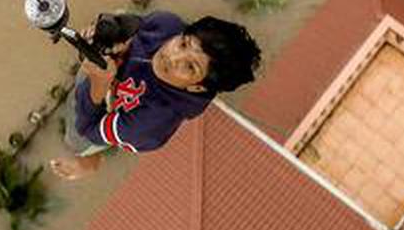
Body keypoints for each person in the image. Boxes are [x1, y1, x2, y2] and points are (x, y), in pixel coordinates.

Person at [49, 11, 261, 180]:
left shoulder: (150, 124)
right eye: (184, 43)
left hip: (108, 109)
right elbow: (129, 22)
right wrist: (107, 35)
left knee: (76, 140)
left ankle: (90, 162)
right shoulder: (165, 25)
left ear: (197, 88)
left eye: (189, 66)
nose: (171, 56)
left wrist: (99, 82)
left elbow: (87, 128)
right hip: (109, 74)